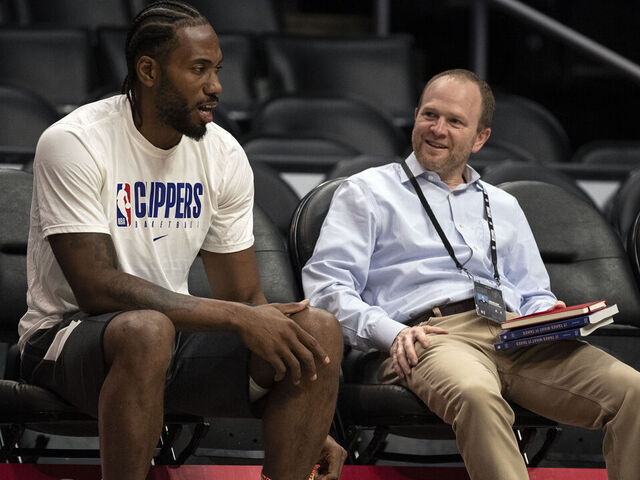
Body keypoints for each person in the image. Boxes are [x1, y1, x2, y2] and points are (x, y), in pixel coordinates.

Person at [18, 2, 346, 480]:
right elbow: (96, 288)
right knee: (146, 330)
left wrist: (307, 412)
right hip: (68, 338)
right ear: (148, 70)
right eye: (198, 69)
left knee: (317, 330)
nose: (215, 86)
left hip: (173, 343)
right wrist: (238, 317)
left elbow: (244, 297)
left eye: (216, 69)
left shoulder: (222, 151)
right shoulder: (75, 141)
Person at [302, 68, 640, 480]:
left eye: (455, 121)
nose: (437, 129)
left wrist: (549, 315)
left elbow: (533, 291)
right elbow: (327, 289)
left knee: (633, 392)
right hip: (429, 335)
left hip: (514, 334)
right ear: (415, 116)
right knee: (477, 395)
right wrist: (390, 331)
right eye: (430, 115)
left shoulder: (503, 205)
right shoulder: (367, 192)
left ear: (480, 137)